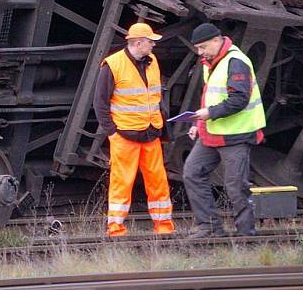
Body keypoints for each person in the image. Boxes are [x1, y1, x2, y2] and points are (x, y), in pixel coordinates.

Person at [183, 23, 266, 238]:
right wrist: (197, 124)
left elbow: (239, 99)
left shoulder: (235, 62)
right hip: (213, 131)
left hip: (237, 134)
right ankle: (209, 226)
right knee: (192, 172)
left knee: (236, 187)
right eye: (197, 49)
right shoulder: (210, 61)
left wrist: (209, 114)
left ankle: (246, 235)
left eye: (202, 47)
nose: (200, 53)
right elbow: (209, 96)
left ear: (216, 40)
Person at [93, 22, 175, 236]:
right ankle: (116, 229)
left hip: (151, 132)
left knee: (158, 181)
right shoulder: (112, 64)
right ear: (138, 43)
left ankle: (164, 227)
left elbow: (155, 96)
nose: (153, 46)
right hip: (125, 135)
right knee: (122, 182)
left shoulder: (152, 61)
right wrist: (112, 132)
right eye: (150, 42)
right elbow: (100, 102)